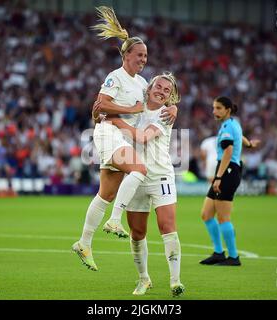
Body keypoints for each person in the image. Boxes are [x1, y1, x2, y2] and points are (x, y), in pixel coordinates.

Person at [72, 6, 176, 271]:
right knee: (139, 169)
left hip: (123, 138)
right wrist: (127, 110)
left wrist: (173, 107)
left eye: (146, 56)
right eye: (139, 55)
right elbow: (101, 104)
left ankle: (84, 242)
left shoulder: (142, 83)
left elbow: (156, 100)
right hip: (109, 134)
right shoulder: (114, 77)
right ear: (126, 54)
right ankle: (115, 220)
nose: (143, 59)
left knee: (105, 193)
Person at [106, 72, 184, 297]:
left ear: (171, 96)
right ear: (148, 88)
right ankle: (144, 279)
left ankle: (175, 280)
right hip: (136, 178)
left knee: (167, 227)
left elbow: (141, 137)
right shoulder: (134, 105)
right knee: (137, 232)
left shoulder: (165, 114)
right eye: (158, 86)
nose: (161, 91)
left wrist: (114, 119)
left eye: (166, 90)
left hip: (161, 177)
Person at [199, 96, 260, 266]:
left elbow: (228, 151)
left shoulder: (227, 126)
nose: (214, 111)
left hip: (228, 171)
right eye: (214, 108)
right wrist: (249, 145)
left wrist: (218, 177)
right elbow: (240, 136)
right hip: (227, 170)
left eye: (218, 108)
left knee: (223, 217)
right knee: (206, 214)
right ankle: (219, 253)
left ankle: (233, 257)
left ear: (227, 110)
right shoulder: (233, 124)